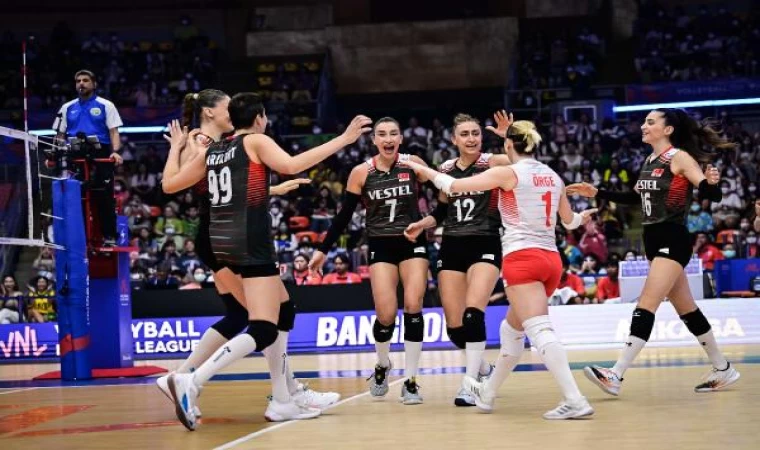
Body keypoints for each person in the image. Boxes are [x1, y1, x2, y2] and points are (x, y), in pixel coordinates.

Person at [163, 91, 371, 429]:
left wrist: (175, 149)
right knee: (262, 326)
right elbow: (291, 165)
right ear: (259, 118)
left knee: (282, 311)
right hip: (250, 240)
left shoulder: (214, 149)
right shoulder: (254, 141)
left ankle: (284, 398)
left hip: (222, 241)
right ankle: (193, 379)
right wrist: (344, 139)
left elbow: (170, 184)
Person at [402, 119, 597, 419]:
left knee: (540, 331)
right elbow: (570, 223)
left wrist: (422, 169)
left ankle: (575, 399)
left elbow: (452, 185)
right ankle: (487, 393)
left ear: (508, 145)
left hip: (522, 258)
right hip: (551, 259)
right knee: (510, 331)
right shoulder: (552, 175)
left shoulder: (505, 171)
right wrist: (583, 216)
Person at [568, 108, 740, 395]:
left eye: (650, 122)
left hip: (672, 238)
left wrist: (712, 183)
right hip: (653, 239)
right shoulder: (649, 160)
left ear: (668, 129)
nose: (643, 126)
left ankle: (616, 374)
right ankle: (723, 368)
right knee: (687, 309)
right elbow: (634, 198)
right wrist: (597, 192)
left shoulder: (679, 158)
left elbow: (711, 194)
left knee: (646, 303)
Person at [309, 117, 432, 405]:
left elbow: (442, 188)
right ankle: (383, 364)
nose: (388, 139)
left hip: (413, 241)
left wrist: (430, 221)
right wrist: (323, 249)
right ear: (374, 140)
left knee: (413, 304)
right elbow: (343, 216)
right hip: (381, 244)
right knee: (386, 314)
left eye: (393, 133)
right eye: (382, 134)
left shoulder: (413, 163)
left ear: (400, 138)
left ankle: (411, 381)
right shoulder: (360, 172)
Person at [403, 111, 513, 406]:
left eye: (475, 133)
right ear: (454, 139)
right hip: (452, 244)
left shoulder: (494, 162)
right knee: (455, 328)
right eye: (464, 134)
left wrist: (507, 137)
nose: (471, 138)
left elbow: (523, 164)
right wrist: (424, 224)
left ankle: (470, 385)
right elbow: (441, 211)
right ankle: (484, 368)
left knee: (473, 313)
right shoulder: (446, 168)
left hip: (485, 241)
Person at [53, 70, 123, 245]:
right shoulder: (67, 107)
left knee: (104, 196)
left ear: (94, 84)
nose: (81, 84)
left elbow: (114, 132)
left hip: (101, 154)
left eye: (85, 80)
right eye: (78, 81)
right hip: (75, 154)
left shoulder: (106, 105)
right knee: (74, 197)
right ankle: (78, 237)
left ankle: (109, 236)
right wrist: (56, 153)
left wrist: (115, 151)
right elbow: (60, 135)